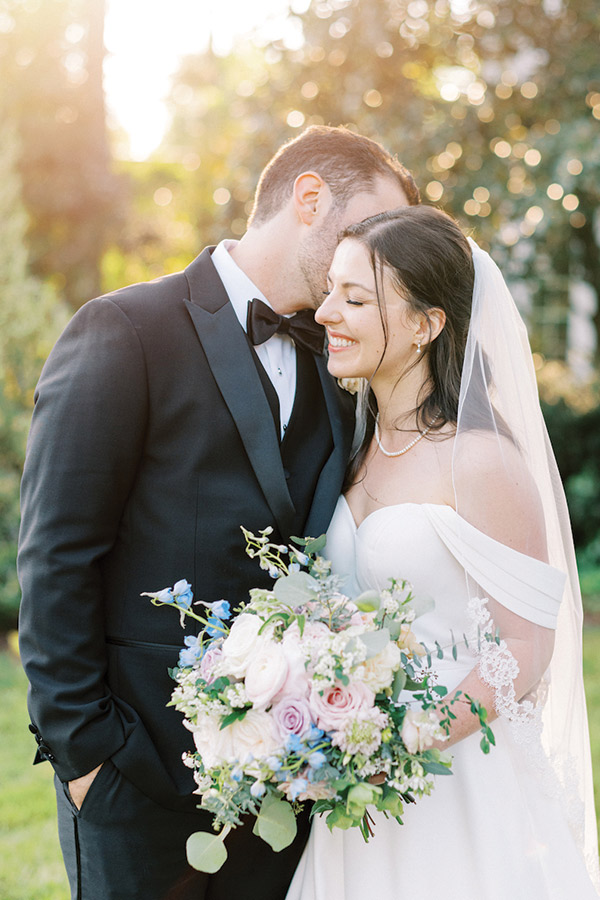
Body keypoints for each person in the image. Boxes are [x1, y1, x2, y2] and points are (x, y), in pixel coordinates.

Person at [17, 125, 417, 900]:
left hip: (284, 784)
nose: (376, 256)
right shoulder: (125, 330)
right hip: (131, 779)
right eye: (365, 229)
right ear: (309, 199)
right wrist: (89, 763)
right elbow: (56, 558)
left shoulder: (342, 364)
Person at [286, 205, 600, 899]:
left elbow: (525, 647)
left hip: (459, 785)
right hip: (356, 797)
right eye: (331, 291)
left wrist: (400, 744)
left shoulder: (480, 462)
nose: (327, 312)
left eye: (356, 298)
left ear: (426, 325)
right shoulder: (352, 446)